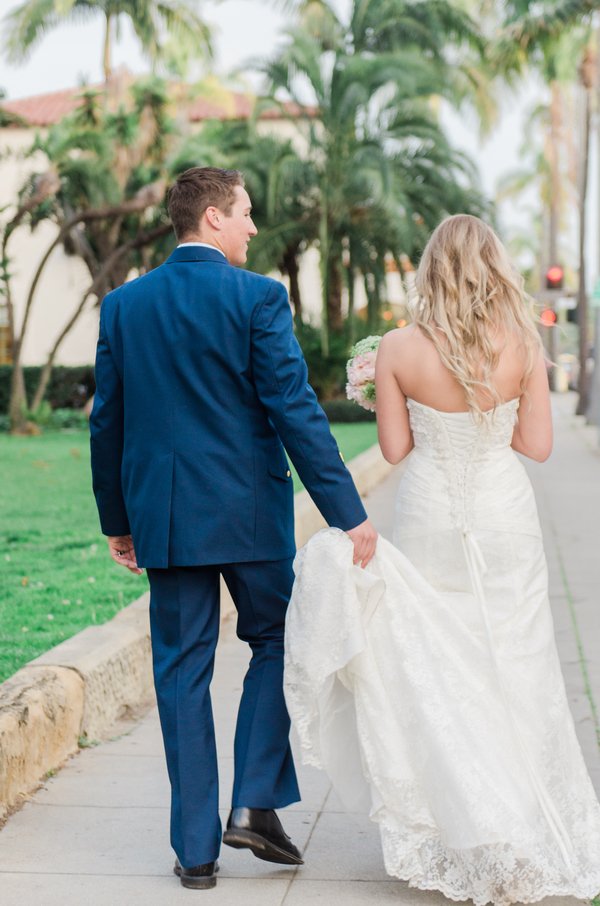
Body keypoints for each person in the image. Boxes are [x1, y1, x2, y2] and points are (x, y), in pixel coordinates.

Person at [284, 214, 600, 905]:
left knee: (437, 661)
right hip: (503, 514)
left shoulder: (398, 347)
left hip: (428, 513)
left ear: (431, 269)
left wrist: (383, 394)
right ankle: (518, 818)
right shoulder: (523, 343)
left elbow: (396, 451)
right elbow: (539, 446)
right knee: (513, 662)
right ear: (494, 267)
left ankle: (466, 817)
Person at [89, 166, 377, 890]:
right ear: (213, 218)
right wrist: (350, 513)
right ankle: (253, 801)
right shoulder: (258, 298)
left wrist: (117, 522)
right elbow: (295, 410)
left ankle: (194, 853)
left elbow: (107, 424)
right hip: (248, 513)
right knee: (279, 638)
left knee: (181, 672)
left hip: (168, 517)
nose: (254, 227)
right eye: (245, 213)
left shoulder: (124, 305)